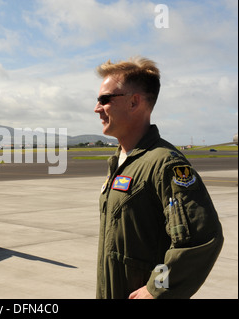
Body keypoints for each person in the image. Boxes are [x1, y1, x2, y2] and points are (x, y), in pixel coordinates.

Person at [93, 56, 223, 299]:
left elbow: (201, 239)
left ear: (134, 102)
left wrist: (157, 288)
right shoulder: (121, 162)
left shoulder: (165, 163)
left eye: (105, 99)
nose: (97, 108)